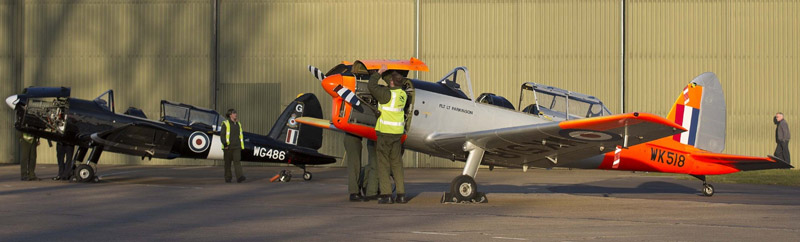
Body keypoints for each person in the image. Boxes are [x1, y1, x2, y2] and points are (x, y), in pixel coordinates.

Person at [368, 64, 408, 204]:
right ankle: (401, 195)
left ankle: (386, 195)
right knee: (397, 164)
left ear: (391, 82)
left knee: (383, 164)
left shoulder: (386, 95)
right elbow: (394, 85)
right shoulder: (403, 94)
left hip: (385, 134)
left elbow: (371, 86)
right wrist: (387, 75)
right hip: (397, 134)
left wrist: (378, 72)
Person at [344, 133, 378, 202]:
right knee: (354, 167)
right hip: (352, 138)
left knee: (356, 166)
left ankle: (358, 190)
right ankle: (354, 193)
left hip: (355, 138)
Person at [221, 109, 246, 183]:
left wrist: (241, 146)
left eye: (235, 113)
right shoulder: (225, 123)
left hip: (237, 147)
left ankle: (240, 177)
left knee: (237, 162)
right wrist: (225, 144)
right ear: (230, 115)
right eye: (234, 113)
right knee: (227, 163)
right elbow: (222, 135)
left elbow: (240, 135)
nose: (235, 114)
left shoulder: (238, 124)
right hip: (228, 147)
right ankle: (228, 178)